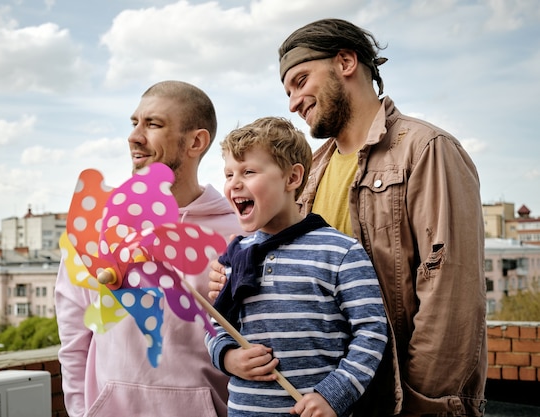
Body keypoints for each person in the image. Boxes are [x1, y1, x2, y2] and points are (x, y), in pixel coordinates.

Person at [209, 19, 487, 417]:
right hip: (334, 402)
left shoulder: (426, 149)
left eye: (301, 80)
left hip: (401, 403)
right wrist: (234, 277)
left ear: (345, 61)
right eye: (287, 91)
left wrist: (422, 405)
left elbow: (451, 298)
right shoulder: (311, 170)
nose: (292, 102)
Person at [55, 80, 243, 417]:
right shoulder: (97, 222)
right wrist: (82, 411)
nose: (134, 136)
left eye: (153, 124)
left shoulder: (239, 232)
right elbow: (74, 337)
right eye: (134, 123)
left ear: (195, 141)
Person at [206, 116, 388, 417]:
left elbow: (372, 331)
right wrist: (227, 357)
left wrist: (333, 396)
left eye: (248, 171)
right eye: (228, 174)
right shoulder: (235, 256)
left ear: (292, 178)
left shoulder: (340, 252)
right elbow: (216, 324)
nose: (234, 183)